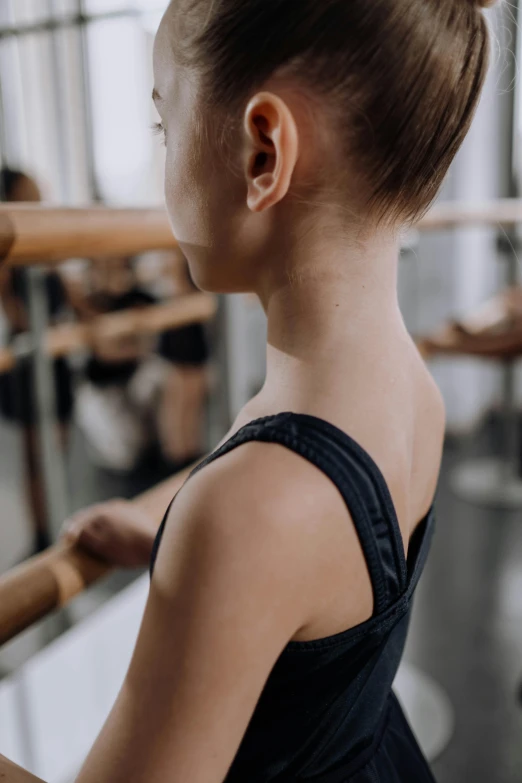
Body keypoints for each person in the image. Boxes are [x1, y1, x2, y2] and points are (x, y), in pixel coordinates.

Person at [60, 1, 495, 780]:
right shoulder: (411, 389)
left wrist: (209, 551)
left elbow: (268, 529)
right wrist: (180, 548)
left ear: (264, 151)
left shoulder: (249, 508)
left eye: (166, 127)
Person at [0, 168, 74, 553]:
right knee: (36, 456)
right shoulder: (10, 254)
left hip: (53, 358)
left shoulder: (45, 247)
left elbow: (73, 299)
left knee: (54, 451)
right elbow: (18, 317)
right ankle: (44, 539)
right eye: (29, 195)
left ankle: (55, 528)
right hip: (30, 365)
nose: (38, 202)